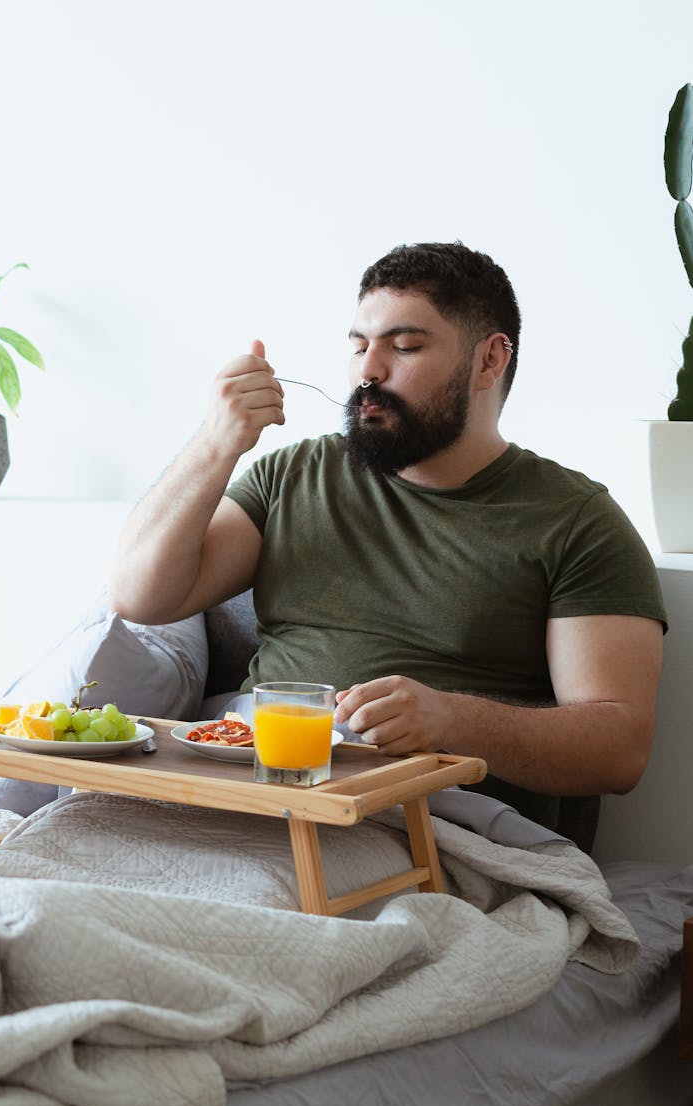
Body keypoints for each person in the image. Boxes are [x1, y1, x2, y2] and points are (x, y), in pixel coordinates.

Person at [110, 242, 666, 839]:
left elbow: (618, 751)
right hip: (252, 790)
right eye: (358, 345)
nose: (368, 370)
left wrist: (450, 719)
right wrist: (216, 443)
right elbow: (141, 597)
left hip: (429, 826)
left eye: (404, 347)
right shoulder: (297, 475)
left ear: (489, 361)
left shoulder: (575, 521)